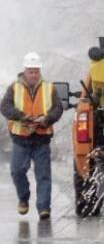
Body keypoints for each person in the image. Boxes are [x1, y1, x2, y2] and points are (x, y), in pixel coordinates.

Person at [0, 52, 63, 220]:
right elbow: (4, 107)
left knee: (43, 175)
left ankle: (44, 208)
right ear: (25, 71)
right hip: (21, 138)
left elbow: (58, 108)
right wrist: (23, 117)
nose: (33, 74)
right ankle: (23, 198)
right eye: (30, 71)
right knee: (17, 171)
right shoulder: (14, 88)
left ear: (39, 71)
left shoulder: (50, 88)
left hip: (42, 138)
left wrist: (46, 119)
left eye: (36, 71)